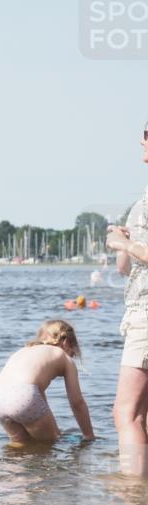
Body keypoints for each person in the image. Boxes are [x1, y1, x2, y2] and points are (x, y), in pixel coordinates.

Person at [104, 119, 148, 475]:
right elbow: (125, 268)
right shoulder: (140, 203)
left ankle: (132, 501)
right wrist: (121, 245)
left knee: (126, 412)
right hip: (138, 307)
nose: (142, 145)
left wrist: (124, 243)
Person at [0, 320, 94, 445]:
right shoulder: (63, 356)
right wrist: (89, 436)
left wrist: (54, 428)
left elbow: (35, 393)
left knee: (20, 446)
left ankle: (7, 464)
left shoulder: (25, 350)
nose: (72, 356)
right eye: (73, 351)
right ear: (66, 342)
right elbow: (77, 403)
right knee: (48, 445)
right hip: (24, 396)